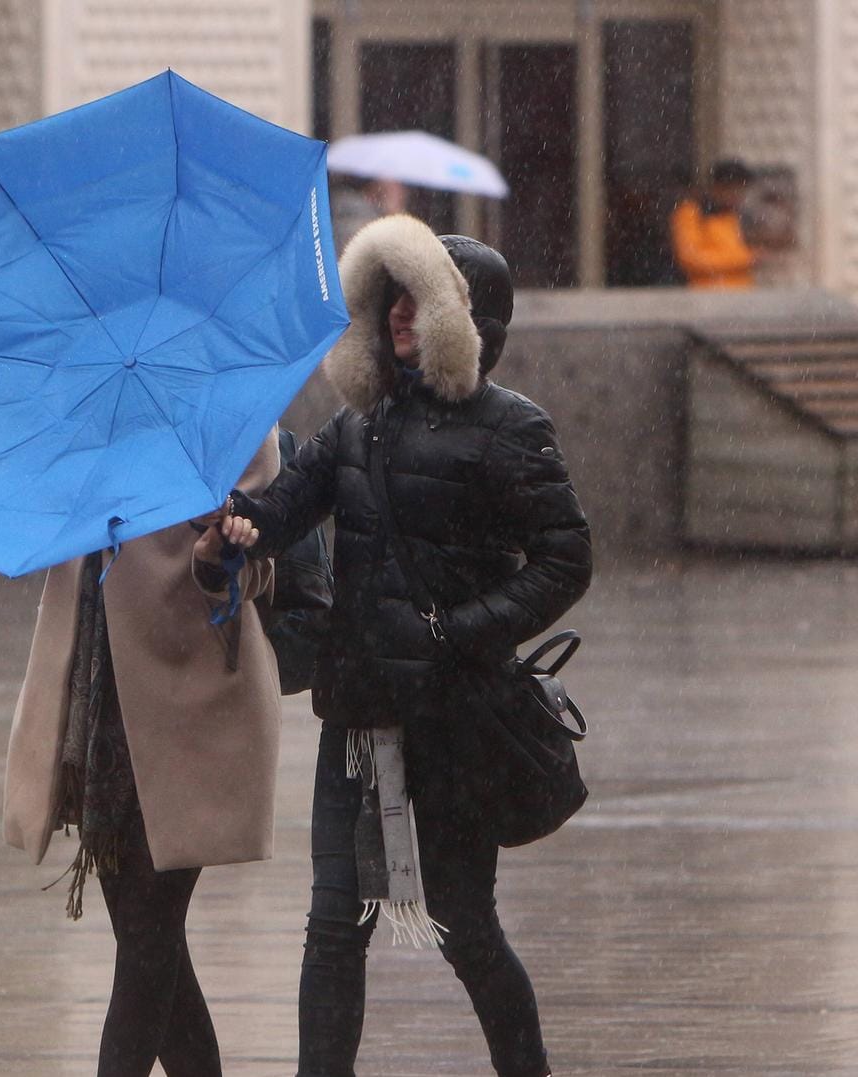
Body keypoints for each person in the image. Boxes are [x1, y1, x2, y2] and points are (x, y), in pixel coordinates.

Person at [225, 216, 592, 1077]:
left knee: (466, 925)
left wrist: (459, 632)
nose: (399, 312)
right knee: (332, 925)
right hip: (358, 715)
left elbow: (567, 557)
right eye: (391, 294)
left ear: (466, 320)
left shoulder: (511, 428)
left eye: (419, 296)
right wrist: (239, 525)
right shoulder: (357, 424)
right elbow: (284, 510)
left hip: (455, 722)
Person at [2, 438, 281, 1077]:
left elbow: (265, 561)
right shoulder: (89, 403)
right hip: (99, 704)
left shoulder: (226, 406)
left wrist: (221, 553)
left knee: (149, 941)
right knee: (151, 949)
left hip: (192, 700)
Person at [671, 158, 757, 289]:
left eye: (742, 190)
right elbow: (691, 259)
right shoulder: (691, 212)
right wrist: (748, 258)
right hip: (707, 296)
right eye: (733, 190)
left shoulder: (733, 216)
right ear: (717, 188)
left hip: (741, 295)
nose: (738, 196)